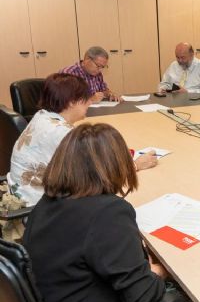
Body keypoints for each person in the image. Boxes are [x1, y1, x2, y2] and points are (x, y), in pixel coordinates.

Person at [22, 123, 168, 302]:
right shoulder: (108, 212)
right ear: (117, 165)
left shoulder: (47, 201)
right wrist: (159, 272)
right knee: (175, 294)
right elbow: (142, 297)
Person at [8, 73, 157, 207]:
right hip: (38, 209)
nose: (90, 103)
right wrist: (135, 165)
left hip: (22, 197)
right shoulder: (61, 133)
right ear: (72, 102)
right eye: (86, 99)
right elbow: (97, 179)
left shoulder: (42, 116)